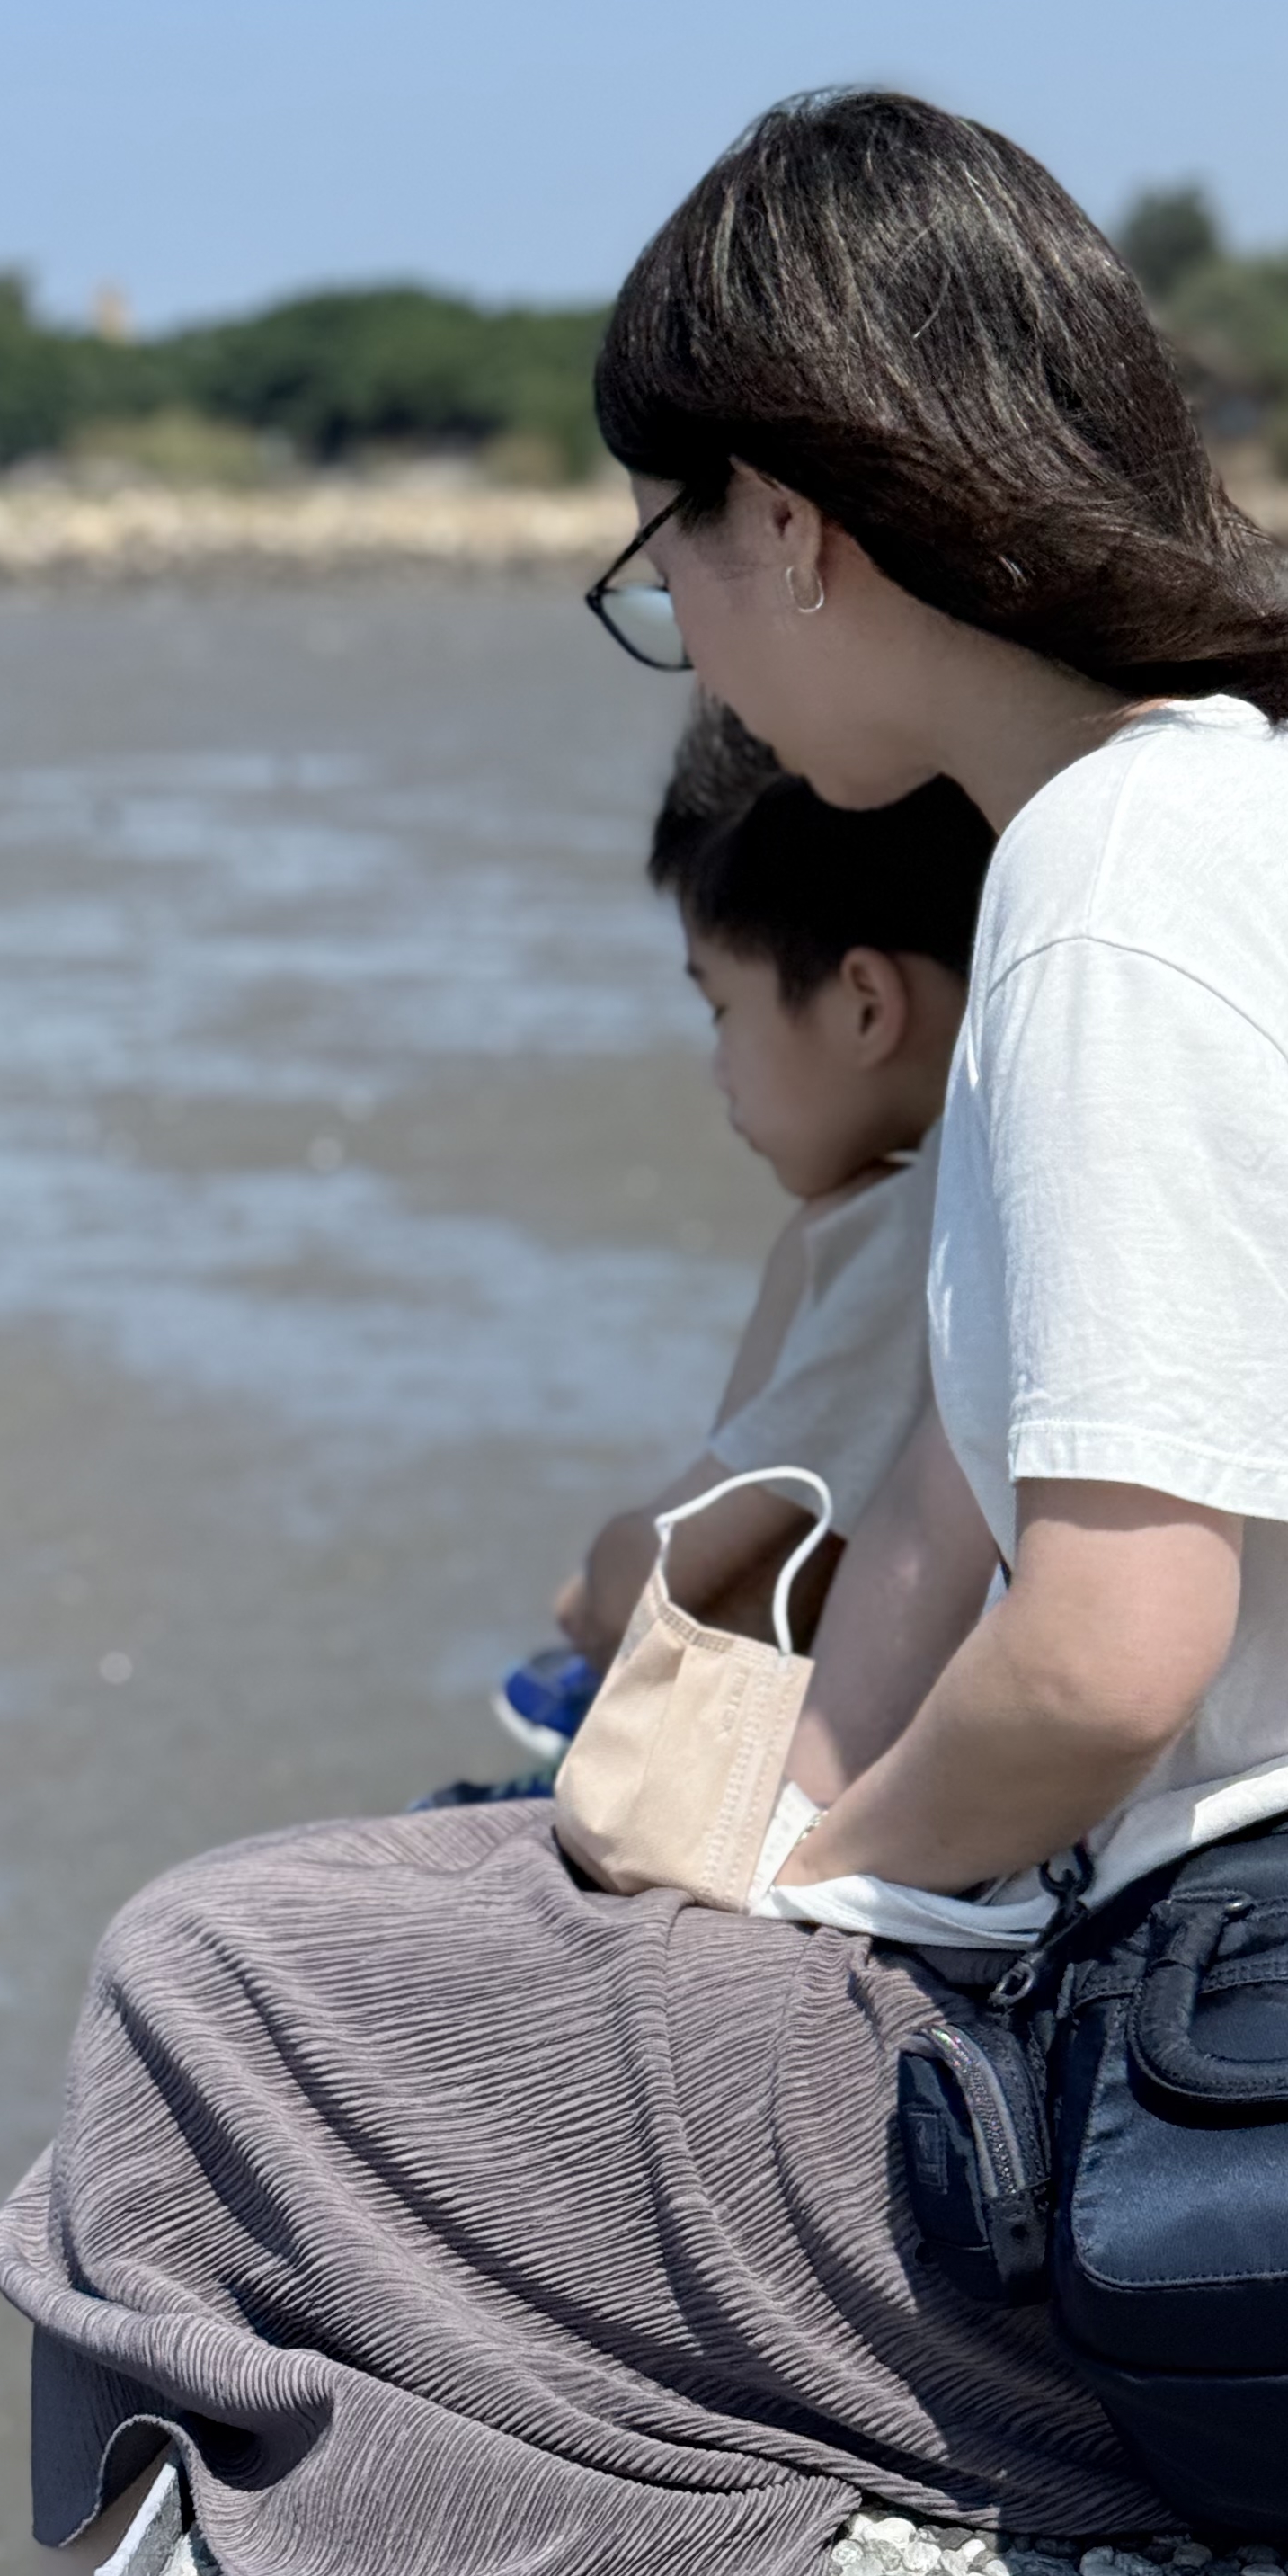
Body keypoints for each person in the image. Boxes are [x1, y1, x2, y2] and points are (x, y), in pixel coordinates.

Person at [0, 90, 1288, 2576]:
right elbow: (997, 1521)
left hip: (1244, 2110)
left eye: (663, 552)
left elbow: (1115, 1642)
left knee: (202, 1989)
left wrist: (808, 1873)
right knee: (428, 1920)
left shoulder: (1112, 888)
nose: (680, 625)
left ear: (792, 517)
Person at [446, 705, 992, 1796]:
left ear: (866, 1003)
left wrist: (591, 1586)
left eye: (720, 1006)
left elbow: (673, 1568)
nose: (720, 1067)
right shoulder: (997, 1171)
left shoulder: (908, 1223)